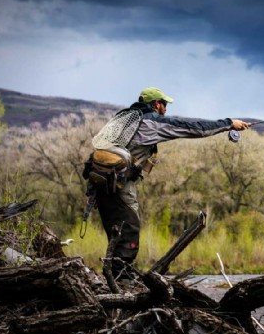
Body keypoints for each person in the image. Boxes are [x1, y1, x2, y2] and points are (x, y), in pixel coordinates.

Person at [92, 86, 250, 280]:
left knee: (116, 235)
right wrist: (228, 123)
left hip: (100, 186)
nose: (166, 109)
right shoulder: (150, 121)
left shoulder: (123, 118)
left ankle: (115, 280)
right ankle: (122, 284)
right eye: (164, 104)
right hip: (120, 186)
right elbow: (192, 127)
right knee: (129, 233)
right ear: (156, 104)